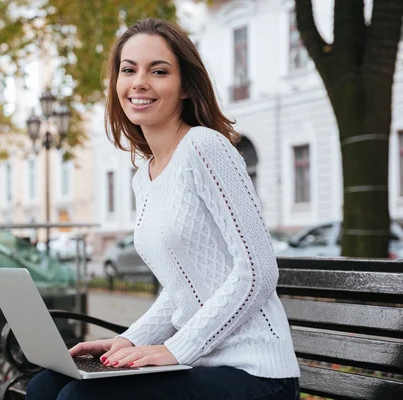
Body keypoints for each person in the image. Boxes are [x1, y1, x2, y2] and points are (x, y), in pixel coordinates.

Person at [26, 18, 300, 400]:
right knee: (45, 386)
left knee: (81, 399)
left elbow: (257, 272)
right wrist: (124, 342)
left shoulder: (206, 147)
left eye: (158, 71)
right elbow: (180, 290)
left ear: (185, 86)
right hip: (197, 366)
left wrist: (176, 349)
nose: (139, 82)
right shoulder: (146, 175)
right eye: (128, 70)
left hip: (254, 372)